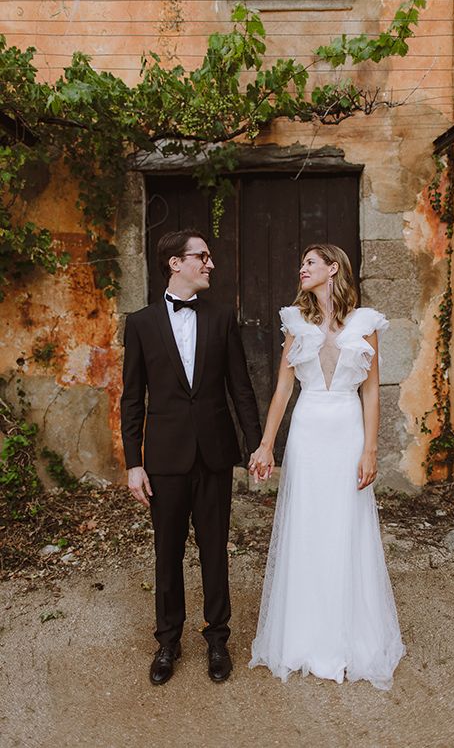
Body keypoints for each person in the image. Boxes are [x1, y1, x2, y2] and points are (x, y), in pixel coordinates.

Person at [248, 243, 405, 690]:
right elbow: (282, 389)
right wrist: (266, 446)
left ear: (333, 269)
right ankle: (302, 635)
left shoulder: (365, 324)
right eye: (301, 263)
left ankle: (349, 635)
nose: (302, 269)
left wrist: (370, 449)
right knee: (307, 524)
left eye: (310, 263)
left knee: (345, 525)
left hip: (347, 431)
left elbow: (371, 392)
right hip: (308, 431)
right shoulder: (296, 324)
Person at [121, 228, 261, 685]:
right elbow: (132, 398)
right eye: (201, 256)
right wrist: (133, 463)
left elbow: (240, 388)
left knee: (215, 549)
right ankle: (168, 642)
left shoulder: (222, 317)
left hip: (214, 454)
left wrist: (257, 445)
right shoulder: (140, 323)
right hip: (164, 457)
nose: (210, 264)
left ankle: (217, 639)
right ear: (174, 263)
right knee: (167, 553)